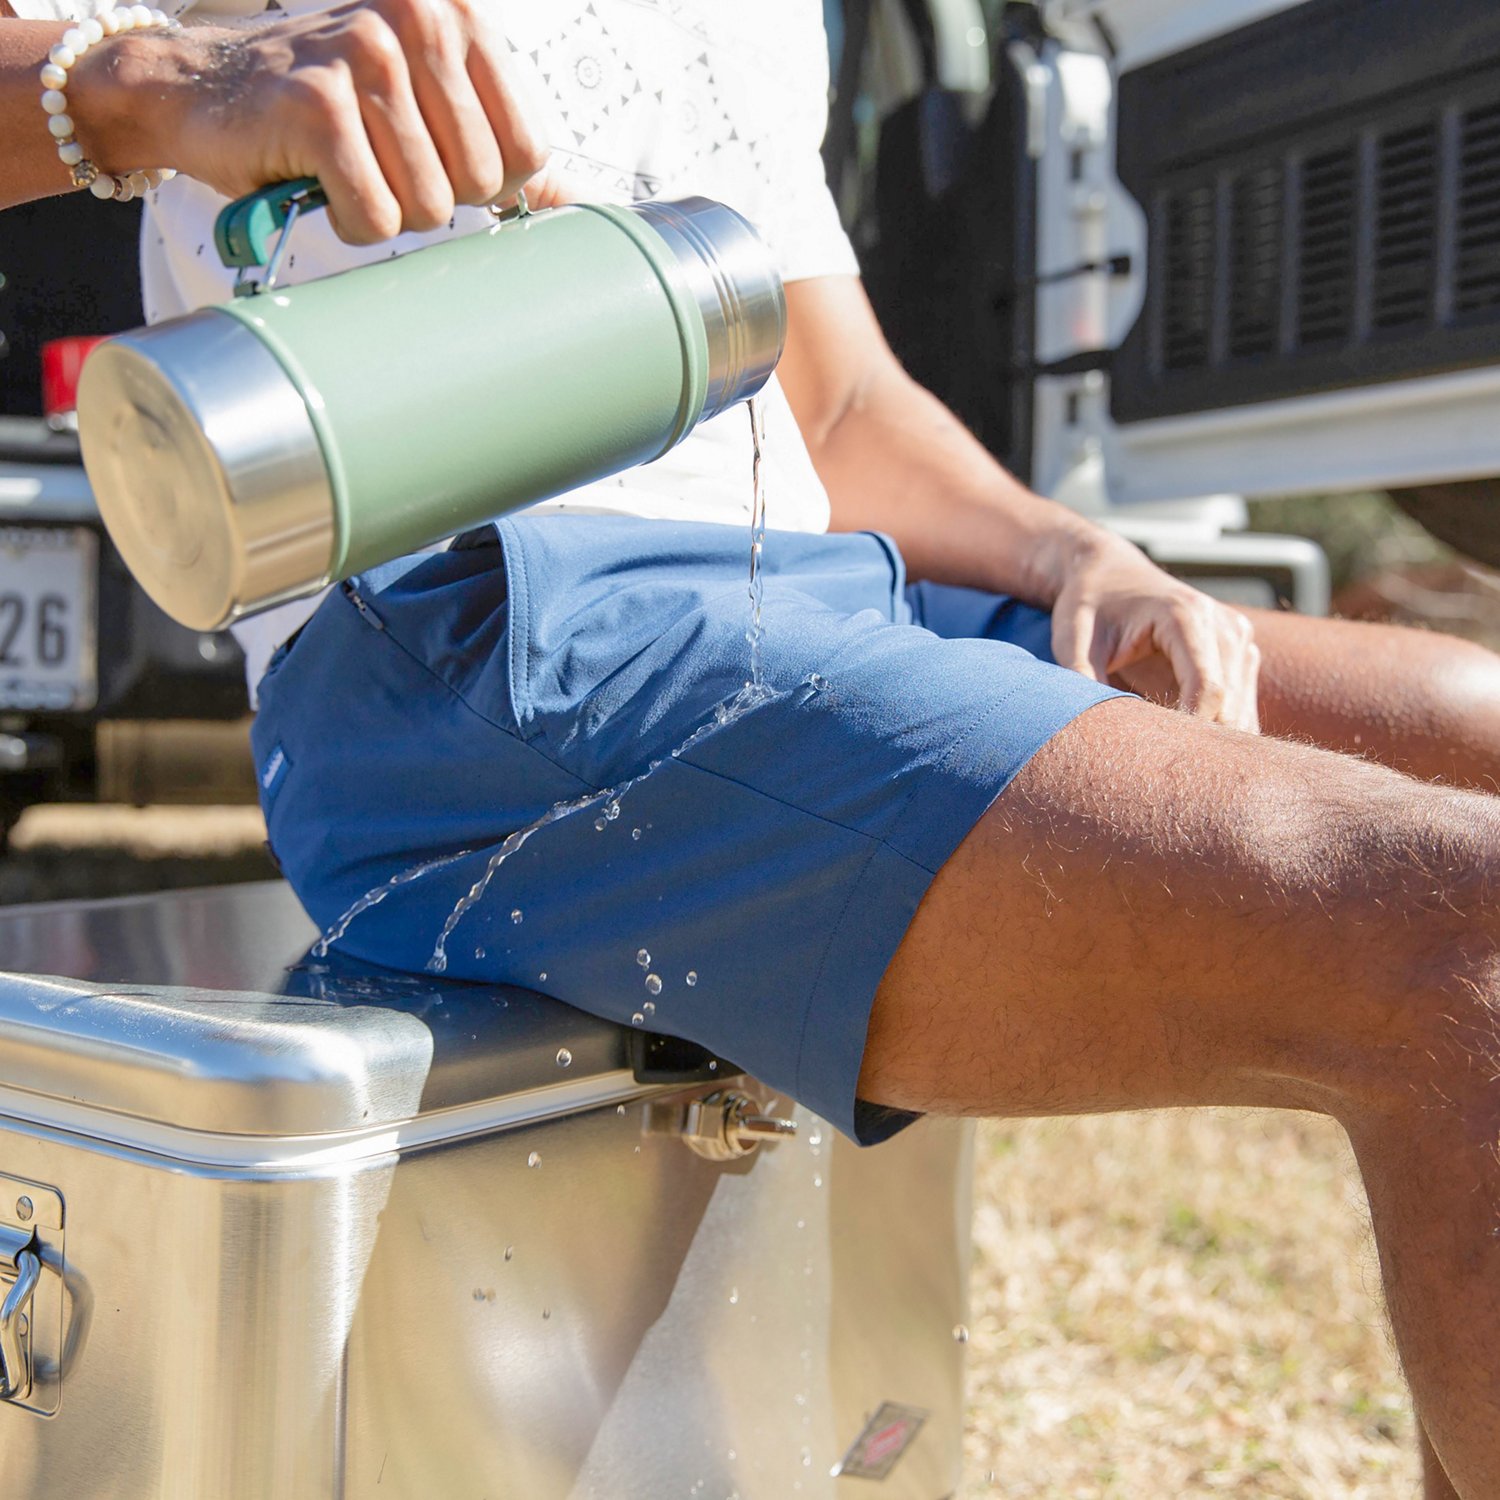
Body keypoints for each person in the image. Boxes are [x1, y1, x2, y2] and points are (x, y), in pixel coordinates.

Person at [2, 1, 1498, 1492]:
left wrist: (1077, 553)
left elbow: (835, 404)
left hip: (814, 577)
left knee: (1468, 739)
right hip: (489, 620)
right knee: (1462, 924)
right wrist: (157, 78)